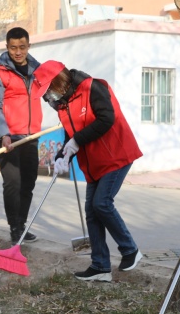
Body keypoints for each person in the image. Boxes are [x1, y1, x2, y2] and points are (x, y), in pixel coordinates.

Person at [33, 60, 143, 282]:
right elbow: (70, 134)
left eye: (48, 92)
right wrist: (63, 155)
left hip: (116, 155)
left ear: (59, 82)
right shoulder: (62, 105)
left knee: (102, 203)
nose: (48, 99)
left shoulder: (93, 88)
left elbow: (106, 119)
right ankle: (101, 266)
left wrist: (76, 141)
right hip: (93, 163)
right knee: (92, 211)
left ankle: (130, 250)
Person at [0, 27, 43, 244]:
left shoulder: (37, 71)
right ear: (7, 47)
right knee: (13, 183)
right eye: (13, 48)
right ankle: (14, 228)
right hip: (8, 137)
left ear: (28, 46)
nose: (18, 52)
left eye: (22, 47)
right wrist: (3, 134)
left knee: (28, 183)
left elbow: (50, 96)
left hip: (31, 136)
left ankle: (22, 225)